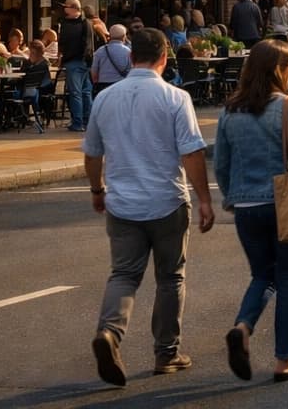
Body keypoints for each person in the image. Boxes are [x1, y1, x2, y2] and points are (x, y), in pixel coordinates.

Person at [82, 27, 215, 387]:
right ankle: (167, 353)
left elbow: (92, 153)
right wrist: (204, 198)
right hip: (167, 201)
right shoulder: (175, 98)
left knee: (123, 274)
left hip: (122, 203)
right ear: (165, 58)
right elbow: (191, 152)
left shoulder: (105, 99)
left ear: (129, 56)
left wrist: (98, 189)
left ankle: (109, 332)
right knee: (171, 277)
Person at [214, 39, 288, 384]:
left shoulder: (229, 111)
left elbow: (221, 163)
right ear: (278, 70)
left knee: (262, 275)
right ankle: (285, 360)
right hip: (284, 203)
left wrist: (233, 196)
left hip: (246, 206)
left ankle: (243, 326)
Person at [58, 0, 96, 132]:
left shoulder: (72, 25)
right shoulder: (86, 23)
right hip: (84, 62)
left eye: (66, 6)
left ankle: (78, 122)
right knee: (85, 92)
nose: (64, 9)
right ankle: (87, 121)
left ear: (73, 8)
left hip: (75, 61)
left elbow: (66, 42)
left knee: (76, 93)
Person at [91, 24, 133, 94]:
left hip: (103, 85)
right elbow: (131, 70)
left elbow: (94, 71)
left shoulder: (100, 51)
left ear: (109, 36)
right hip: (121, 84)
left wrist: (96, 83)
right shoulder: (128, 51)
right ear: (124, 37)